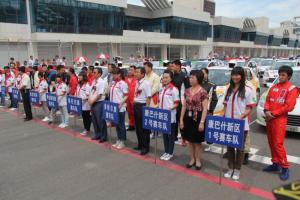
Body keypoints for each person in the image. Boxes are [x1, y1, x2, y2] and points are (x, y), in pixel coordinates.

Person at [263, 65, 298, 181]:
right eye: (280, 74)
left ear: (289, 76)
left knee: (278, 144)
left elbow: (289, 106)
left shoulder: (292, 89)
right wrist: (267, 111)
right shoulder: (274, 87)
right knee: (271, 142)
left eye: (283, 75)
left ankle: (285, 167)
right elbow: (267, 100)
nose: (280, 77)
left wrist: (273, 114)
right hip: (269, 119)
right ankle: (275, 163)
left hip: (279, 120)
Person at [223, 67, 255, 181]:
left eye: (237, 75)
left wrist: (242, 116)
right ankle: (230, 168)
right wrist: (223, 117)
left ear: (242, 76)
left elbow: (249, 107)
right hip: (229, 122)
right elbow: (225, 105)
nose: (235, 77)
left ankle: (237, 170)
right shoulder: (229, 88)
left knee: (240, 148)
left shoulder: (248, 90)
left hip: (241, 123)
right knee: (230, 147)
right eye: (233, 75)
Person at [180, 70, 208, 170]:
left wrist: (202, 122)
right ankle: (192, 159)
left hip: (198, 118)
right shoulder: (187, 91)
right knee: (190, 140)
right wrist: (181, 120)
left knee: (197, 141)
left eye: (193, 77)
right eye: (190, 77)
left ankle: (198, 160)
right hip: (188, 117)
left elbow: (205, 108)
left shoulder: (203, 92)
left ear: (198, 79)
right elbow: (184, 106)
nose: (190, 79)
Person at [159, 69, 180, 161]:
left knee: (170, 135)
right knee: (164, 134)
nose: (164, 79)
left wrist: (169, 109)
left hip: (170, 116)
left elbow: (176, 103)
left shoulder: (174, 90)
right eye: (163, 77)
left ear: (171, 79)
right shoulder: (162, 89)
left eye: (167, 77)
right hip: (162, 115)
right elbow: (160, 102)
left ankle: (170, 152)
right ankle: (166, 151)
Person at [133, 67, 151, 155]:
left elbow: (149, 97)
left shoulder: (146, 83)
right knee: (138, 127)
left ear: (143, 74)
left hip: (142, 106)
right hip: (136, 105)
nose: (135, 74)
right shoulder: (137, 82)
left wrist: (146, 109)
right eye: (135, 72)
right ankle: (140, 144)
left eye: (137, 72)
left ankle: (145, 147)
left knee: (144, 129)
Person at [110, 68, 129, 149]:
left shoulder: (123, 84)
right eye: (112, 74)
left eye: (114, 74)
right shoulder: (114, 83)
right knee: (116, 124)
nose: (113, 76)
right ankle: (118, 139)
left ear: (119, 75)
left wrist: (121, 103)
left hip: (120, 107)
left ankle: (122, 141)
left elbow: (126, 95)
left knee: (121, 124)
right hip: (113, 107)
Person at [172, 60, 190, 145]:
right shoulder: (172, 75)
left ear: (179, 66)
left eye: (174, 66)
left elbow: (188, 89)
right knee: (174, 120)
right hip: (173, 101)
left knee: (181, 120)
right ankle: (174, 136)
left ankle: (184, 138)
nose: (172, 67)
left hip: (181, 102)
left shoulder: (184, 76)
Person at [201, 68, 218, 152]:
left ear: (207, 74)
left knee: (208, 127)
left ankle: (209, 144)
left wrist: (211, 111)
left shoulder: (211, 85)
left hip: (207, 111)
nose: (202, 75)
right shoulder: (197, 84)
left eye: (204, 73)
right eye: (201, 73)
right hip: (198, 111)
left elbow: (214, 99)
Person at [88, 68, 108, 142]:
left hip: (99, 103)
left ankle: (103, 136)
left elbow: (100, 94)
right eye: (93, 72)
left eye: (95, 72)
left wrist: (92, 101)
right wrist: (89, 99)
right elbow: (92, 91)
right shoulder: (94, 81)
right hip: (93, 102)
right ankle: (97, 134)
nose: (93, 73)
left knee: (100, 120)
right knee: (94, 120)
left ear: (99, 74)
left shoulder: (101, 82)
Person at [76, 71, 91, 136]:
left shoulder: (87, 85)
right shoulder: (79, 85)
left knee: (86, 118)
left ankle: (86, 129)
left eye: (80, 76)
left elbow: (88, 96)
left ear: (84, 77)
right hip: (80, 103)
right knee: (84, 117)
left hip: (86, 104)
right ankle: (86, 128)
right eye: (78, 76)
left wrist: (82, 99)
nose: (79, 77)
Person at [125, 65, 137, 131]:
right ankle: (131, 125)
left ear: (135, 71)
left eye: (131, 70)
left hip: (135, 99)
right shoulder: (125, 79)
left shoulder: (136, 79)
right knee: (129, 112)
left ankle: (137, 125)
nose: (129, 71)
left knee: (135, 113)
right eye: (129, 70)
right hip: (127, 99)